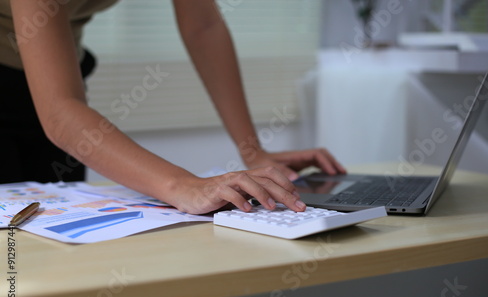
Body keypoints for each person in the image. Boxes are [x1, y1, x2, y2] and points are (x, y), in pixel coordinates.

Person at [0, 0, 346, 214]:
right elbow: (60, 110)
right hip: (40, 92)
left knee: (48, 262)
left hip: (56, 78)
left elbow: (203, 26)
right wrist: (182, 186)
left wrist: (253, 151)